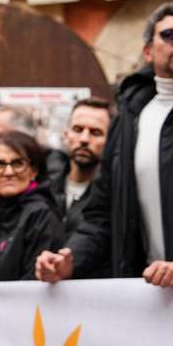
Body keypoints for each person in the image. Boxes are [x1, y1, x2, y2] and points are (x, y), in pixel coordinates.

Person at [37, 3, 173, 287]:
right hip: (147, 291)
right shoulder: (129, 118)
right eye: (169, 35)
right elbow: (102, 213)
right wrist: (70, 259)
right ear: (148, 51)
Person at [0, 131, 63, 281]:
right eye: (0, 164)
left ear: (33, 171)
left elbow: (35, 281)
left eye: (18, 163)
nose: (9, 172)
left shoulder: (42, 215)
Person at [50, 97, 112, 241]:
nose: (84, 139)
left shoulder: (111, 195)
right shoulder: (47, 187)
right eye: (77, 129)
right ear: (66, 135)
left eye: (96, 132)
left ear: (110, 141)